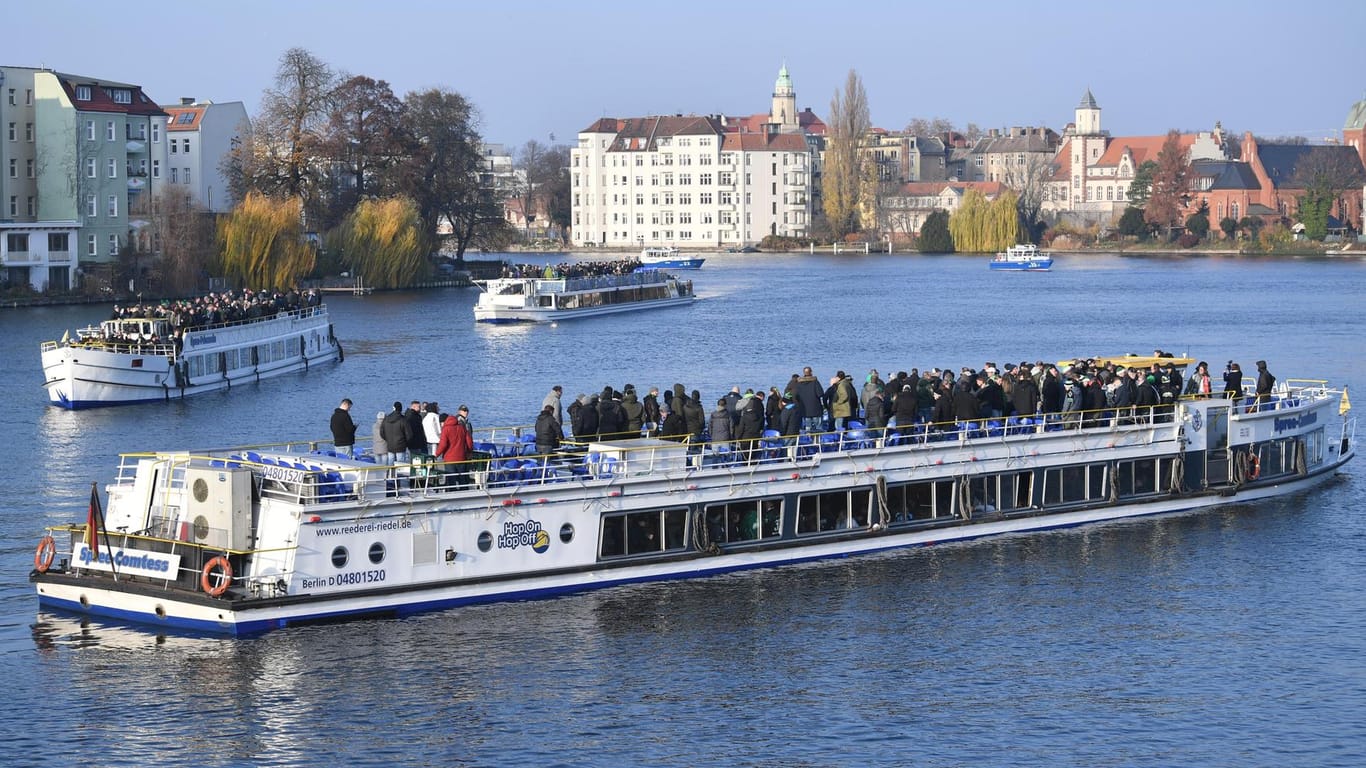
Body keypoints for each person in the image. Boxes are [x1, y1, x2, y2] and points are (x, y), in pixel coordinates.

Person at [436, 406, 474, 487]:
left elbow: (443, 444)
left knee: (451, 478)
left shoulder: (446, 429)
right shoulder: (462, 428)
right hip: (461, 457)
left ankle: (451, 493)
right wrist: (469, 451)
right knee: (462, 478)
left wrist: (436, 454)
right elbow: (469, 442)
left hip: (449, 458)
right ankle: (464, 493)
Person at [381, 402, 412, 466]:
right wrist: (405, 442)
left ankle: (390, 474)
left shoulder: (386, 419)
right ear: (401, 409)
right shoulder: (403, 419)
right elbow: (409, 434)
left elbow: (382, 432)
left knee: (390, 463)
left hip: (390, 445)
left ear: (393, 408)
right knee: (400, 464)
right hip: (401, 445)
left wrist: (388, 439)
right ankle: (399, 475)